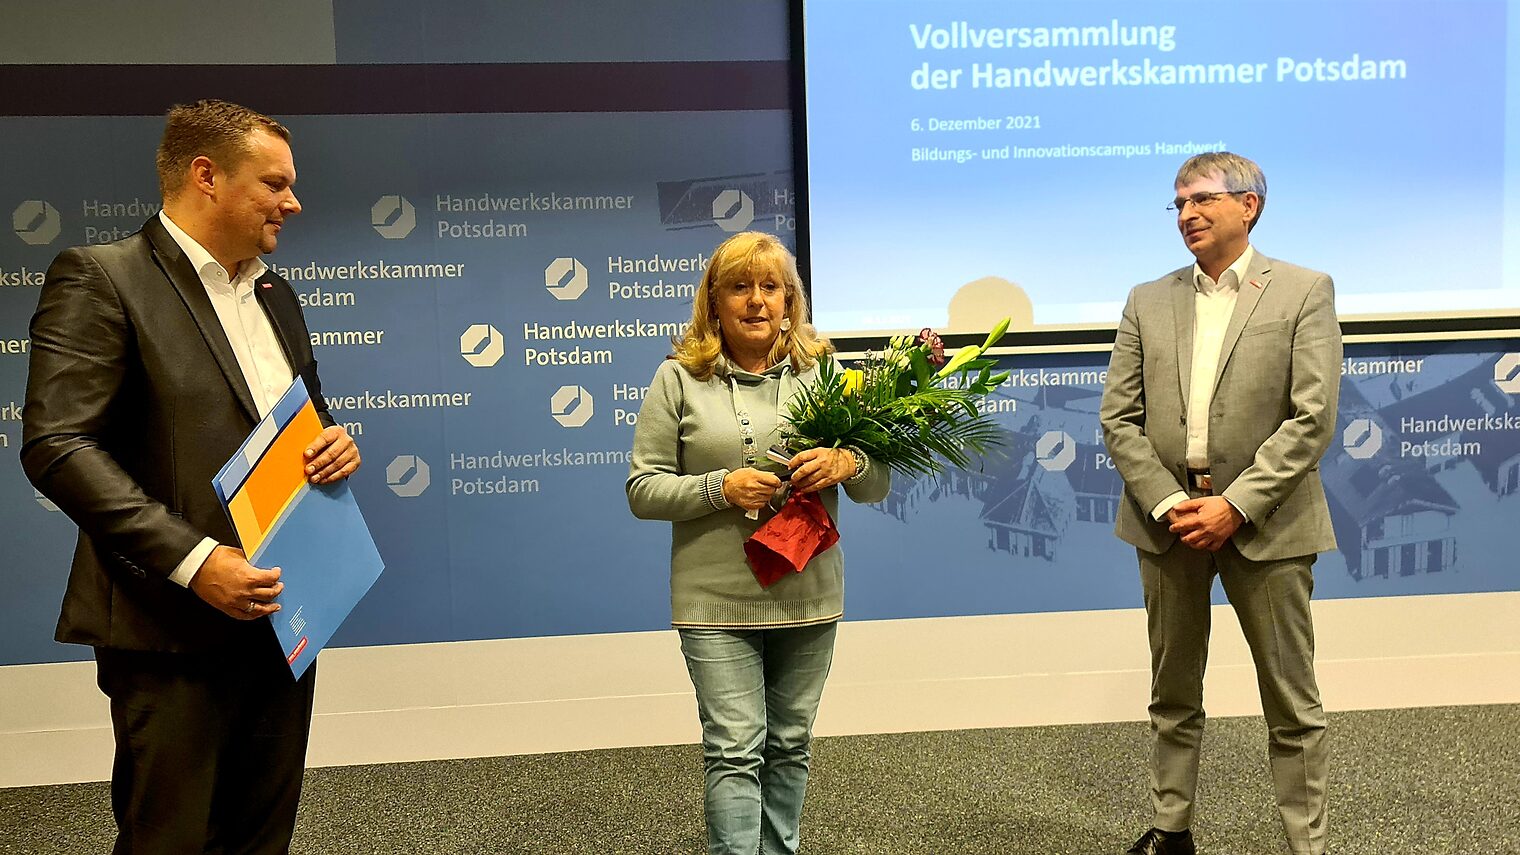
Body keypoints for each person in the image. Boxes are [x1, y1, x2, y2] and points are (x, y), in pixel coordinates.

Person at [21, 100, 359, 854]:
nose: (293, 202)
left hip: (283, 618)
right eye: (274, 183)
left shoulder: (276, 294)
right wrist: (197, 561)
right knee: (169, 840)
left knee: (261, 837)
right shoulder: (102, 278)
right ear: (206, 176)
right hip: (168, 627)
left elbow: (307, 418)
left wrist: (336, 445)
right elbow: (57, 444)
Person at [1099, 152, 1341, 855]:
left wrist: (1235, 504)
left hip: (1268, 524)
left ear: (1249, 205)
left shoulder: (1303, 290)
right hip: (1169, 524)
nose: (1187, 215)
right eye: (1176, 204)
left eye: (1201, 199)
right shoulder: (1147, 298)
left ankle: (1307, 845)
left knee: (1292, 703)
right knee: (1172, 694)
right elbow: (1119, 418)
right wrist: (1172, 502)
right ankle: (1171, 831)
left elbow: (1312, 417)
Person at [626, 231, 889, 855]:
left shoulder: (824, 373)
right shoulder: (678, 379)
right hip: (713, 599)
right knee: (735, 749)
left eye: (771, 287)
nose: (756, 301)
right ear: (712, 303)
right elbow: (643, 489)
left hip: (809, 591)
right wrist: (720, 487)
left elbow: (875, 484)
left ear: (790, 301)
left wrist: (848, 462)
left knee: (791, 743)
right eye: (739, 287)